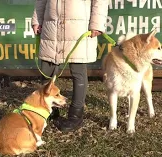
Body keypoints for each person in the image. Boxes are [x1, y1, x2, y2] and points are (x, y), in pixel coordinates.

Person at [31, 0, 109, 132]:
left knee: (78, 70)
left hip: (78, 28)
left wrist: (96, 23)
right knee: (47, 70)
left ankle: (75, 116)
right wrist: (37, 19)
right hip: (51, 27)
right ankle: (49, 111)